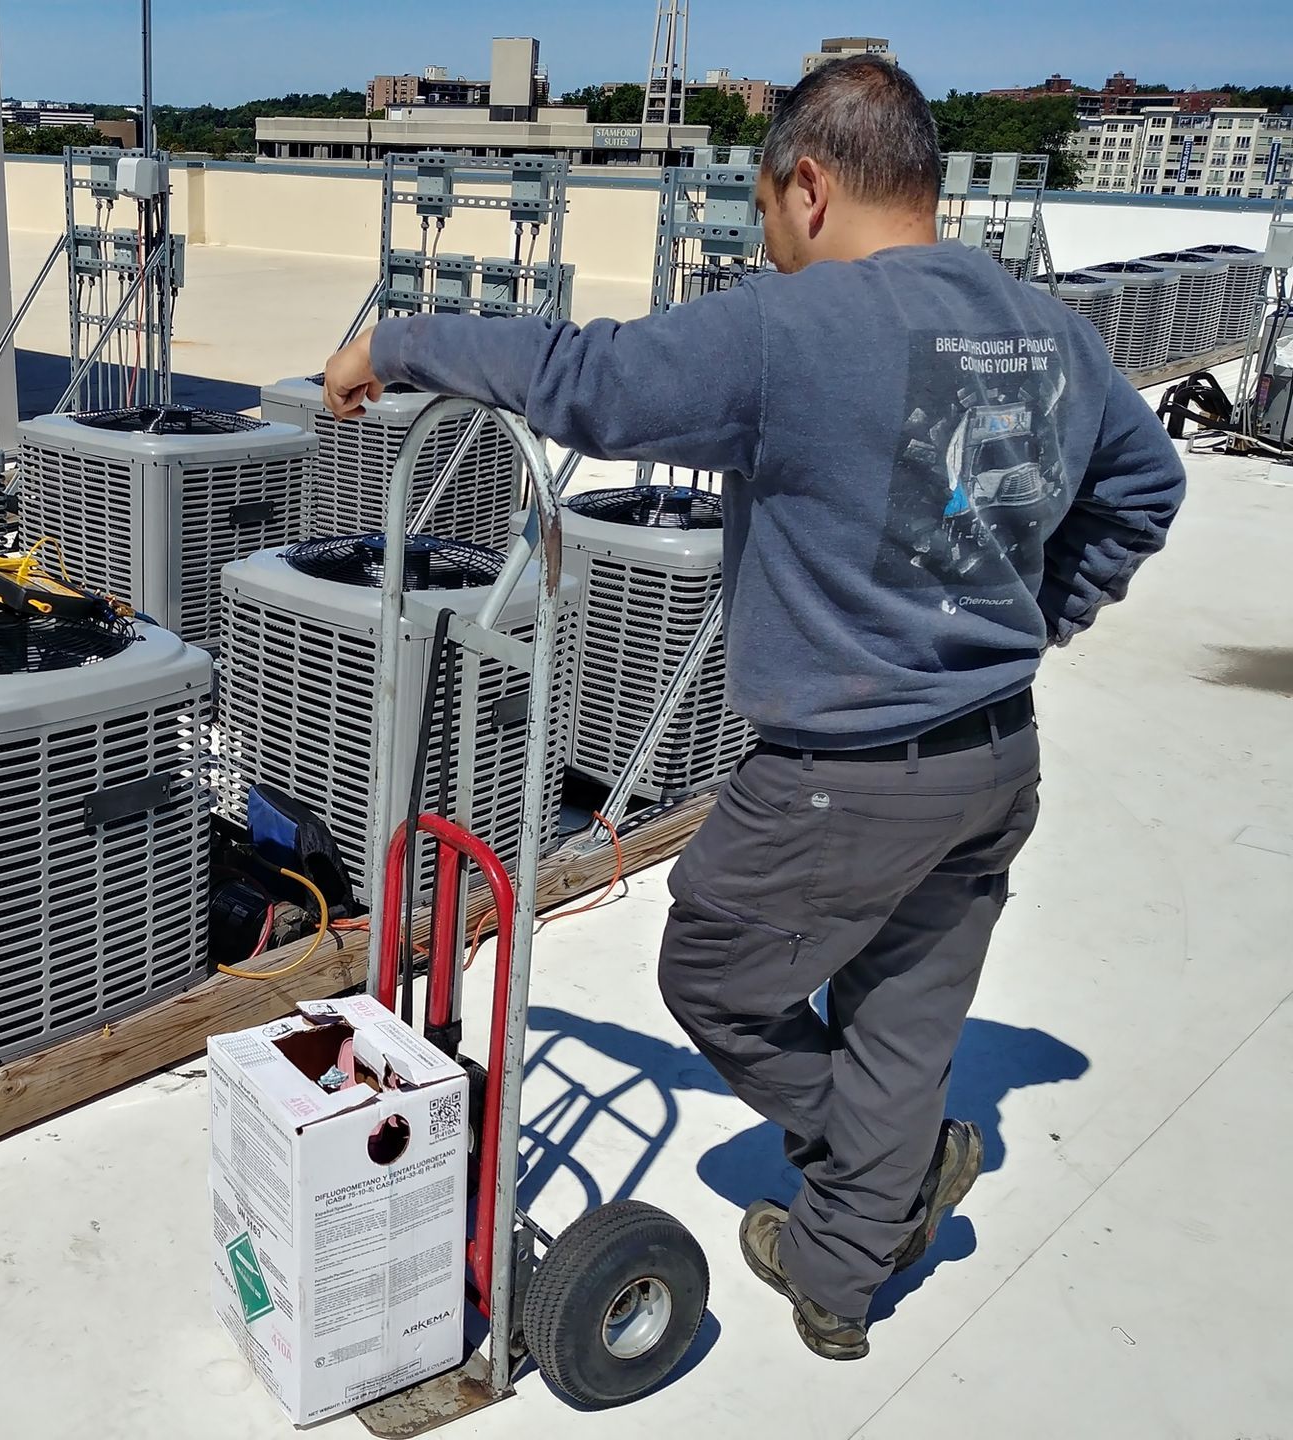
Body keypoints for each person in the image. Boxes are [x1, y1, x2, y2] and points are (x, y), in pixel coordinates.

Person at [320, 55, 1185, 1360]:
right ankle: (839, 1279)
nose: (770, 240)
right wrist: (1033, 622)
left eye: (770, 210)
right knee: (901, 1015)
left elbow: (584, 379)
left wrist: (396, 340)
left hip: (841, 771)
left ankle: (878, 1176)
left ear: (812, 184)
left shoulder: (792, 331)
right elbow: (1146, 486)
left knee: (716, 975)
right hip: (993, 755)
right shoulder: (1045, 330)